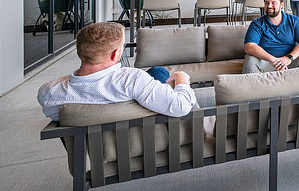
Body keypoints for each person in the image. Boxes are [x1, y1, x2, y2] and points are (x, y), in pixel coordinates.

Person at [37, 22, 196, 121]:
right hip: (141, 128)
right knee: (160, 72)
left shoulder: (49, 93)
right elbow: (180, 106)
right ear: (115, 54)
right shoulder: (132, 80)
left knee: (156, 71)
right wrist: (182, 79)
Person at [243, 0, 299, 73]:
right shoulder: (257, 23)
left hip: (289, 61)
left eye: (273, 3)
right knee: (250, 62)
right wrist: (273, 60)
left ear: (281, 5)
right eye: (267, 3)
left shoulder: (293, 20)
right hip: (265, 61)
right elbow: (249, 47)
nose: (269, 6)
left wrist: (289, 58)